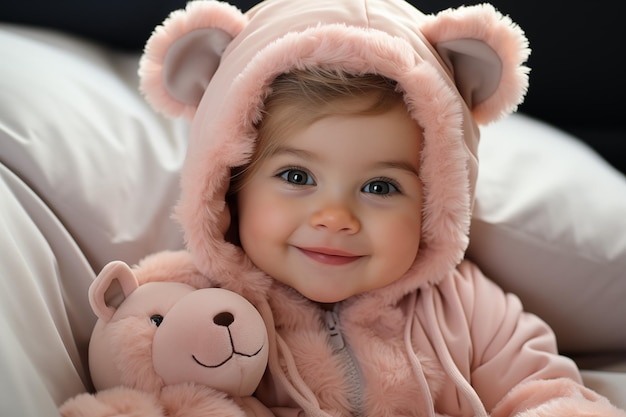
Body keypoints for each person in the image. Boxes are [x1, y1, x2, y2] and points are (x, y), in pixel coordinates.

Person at [138, 0, 626, 415]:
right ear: (230, 186)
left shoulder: (470, 310)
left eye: (379, 187)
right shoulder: (191, 304)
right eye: (296, 177)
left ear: (436, 199)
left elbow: (545, 391)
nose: (335, 217)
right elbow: (141, 387)